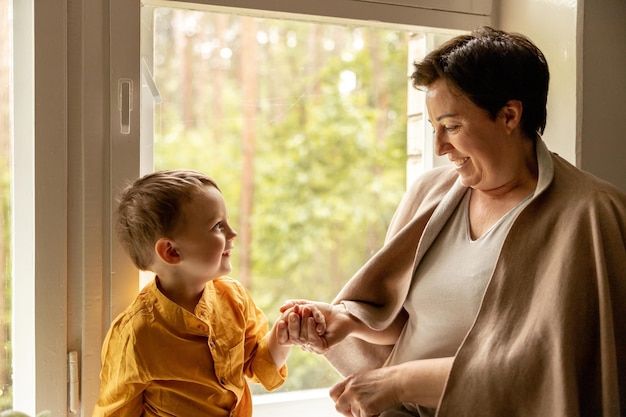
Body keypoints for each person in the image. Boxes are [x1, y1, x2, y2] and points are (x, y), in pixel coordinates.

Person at [277, 26, 626, 417]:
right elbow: (407, 322)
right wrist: (343, 320)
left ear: (509, 115)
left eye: (452, 127)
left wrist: (399, 382)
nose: (440, 147)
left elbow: (549, 373)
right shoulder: (430, 194)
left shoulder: (593, 216)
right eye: (433, 129)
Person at [93, 169, 317, 416]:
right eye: (218, 226)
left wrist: (281, 338)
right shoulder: (136, 337)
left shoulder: (234, 298)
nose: (232, 234)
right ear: (172, 252)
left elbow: (257, 365)